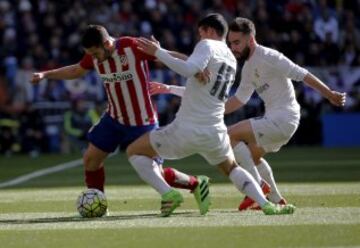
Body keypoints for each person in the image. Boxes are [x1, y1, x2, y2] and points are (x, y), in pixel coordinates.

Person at [149, 17, 346, 211]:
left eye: (237, 43)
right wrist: (207, 105)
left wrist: (329, 94)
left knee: (229, 136)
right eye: (231, 43)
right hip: (278, 120)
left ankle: (259, 185)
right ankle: (276, 199)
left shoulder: (269, 56)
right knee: (252, 158)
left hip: (284, 117)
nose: (233, 47)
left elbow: (302, 74)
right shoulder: (248, 67)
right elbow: (237, 101)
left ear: (250, 39)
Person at [126, 13, 296, 217]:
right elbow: (200, 83)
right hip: (215, 132)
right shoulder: (232, 60)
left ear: (210, 31)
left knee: (135, 151)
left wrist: (158, 52)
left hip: (187, 129)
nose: (200, 38)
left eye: (201, 33)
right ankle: (266, 204)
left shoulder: (207, 45)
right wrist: (170, 86)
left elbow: (188, 68)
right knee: (232, 168)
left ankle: (168, 193)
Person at [30, 25, 203, 208]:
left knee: (154, 172)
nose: (94, 58)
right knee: (90, 159)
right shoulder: (94, 54)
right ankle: (98, 204)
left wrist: (195, 67)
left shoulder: (132, 46)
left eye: (96, 53)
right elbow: (77, 70)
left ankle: (196, 184)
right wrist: (46, 74)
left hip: (142, 121)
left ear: (106, 43)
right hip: (115, 118)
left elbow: (168, 55)